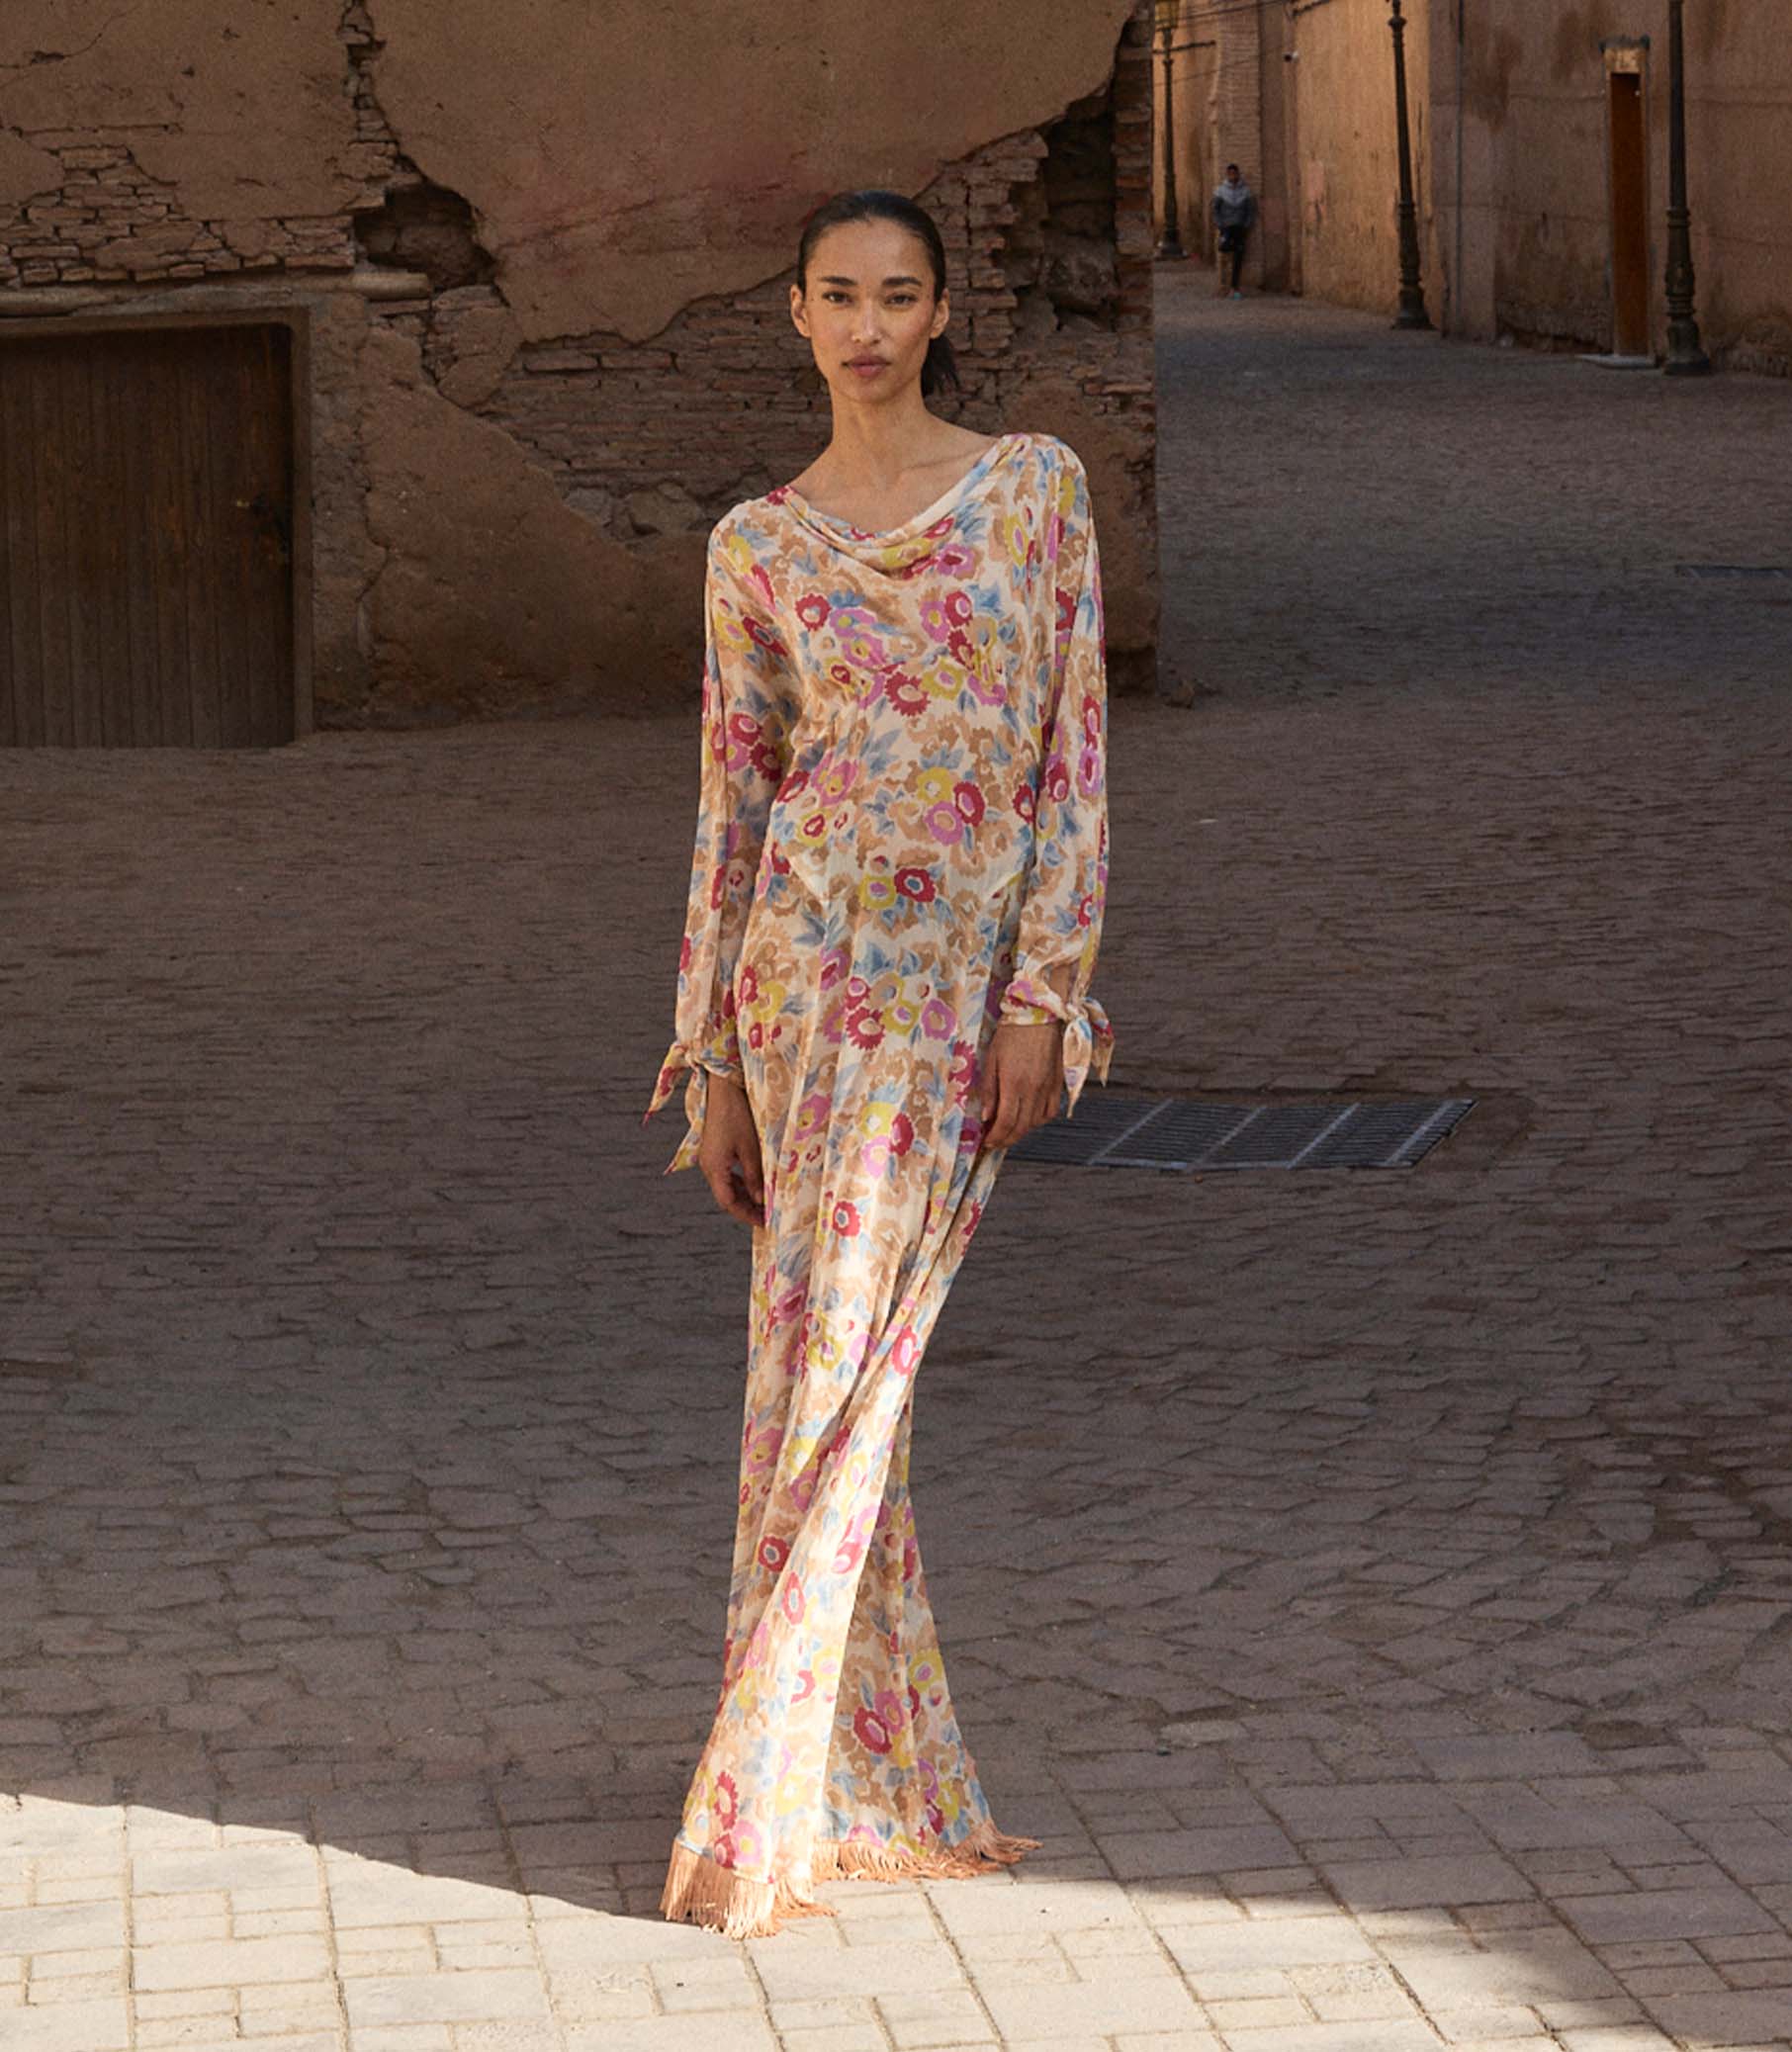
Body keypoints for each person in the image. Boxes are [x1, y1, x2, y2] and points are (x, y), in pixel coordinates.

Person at [646, 187, 1114, 1939]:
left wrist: (1044, 997)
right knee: (817, 1377)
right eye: (834, 296)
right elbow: (737, 798)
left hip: (956, 996)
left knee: (860, 1357)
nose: (863, 325)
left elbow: (1068, 754)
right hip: (807, 994)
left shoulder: (1029, 496)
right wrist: (713, 1058)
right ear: (793, 314)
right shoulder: (756, 547)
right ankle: (825, 1780)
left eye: (895, 295)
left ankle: (783, 1772)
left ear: (937, 313)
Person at [1213, 163, 1257, 298]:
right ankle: (1225, 286)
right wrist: (1220, 225)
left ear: (1238, 174)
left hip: (1239, 228)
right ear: (1227, 174)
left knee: (1238, 257)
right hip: (1226, 228)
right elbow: (1215, 210)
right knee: (1224, 250)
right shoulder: (1220, 191)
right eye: (1230, 173)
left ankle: (1234, 287)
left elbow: (1251, 210)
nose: (1232, 176)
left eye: (1234, 173)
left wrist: (1246, 225)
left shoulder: (1245, 191)